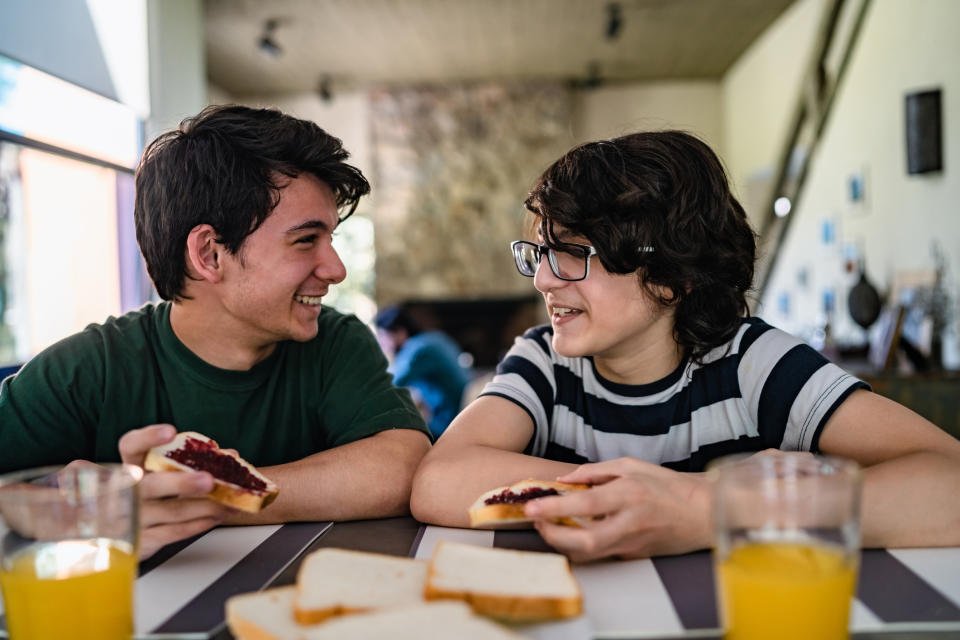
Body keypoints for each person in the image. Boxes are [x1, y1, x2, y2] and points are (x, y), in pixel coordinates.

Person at [410, 131, 960, 562]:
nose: (543, 281)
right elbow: (438, 480)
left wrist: (704, 508)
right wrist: (647, 494)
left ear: (673, 275)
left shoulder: (752, 365)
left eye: (574, 252)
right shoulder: (544, 361)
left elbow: (948, 482)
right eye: (542, 252)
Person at [0, 105, 431, 559]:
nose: (337, 269)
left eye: (332, 240)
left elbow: (402, 466)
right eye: (306, 240)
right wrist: (61, 509)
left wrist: (212, 498)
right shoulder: (89, 369)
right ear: (209, 254)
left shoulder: (335, 343)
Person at [374, 305, 470, 437]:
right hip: (461, 415)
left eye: (383, 336)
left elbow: (389, 384)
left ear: (400, 333)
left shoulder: (418, 349)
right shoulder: (435, 338)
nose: (381, 343)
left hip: (448, 423)